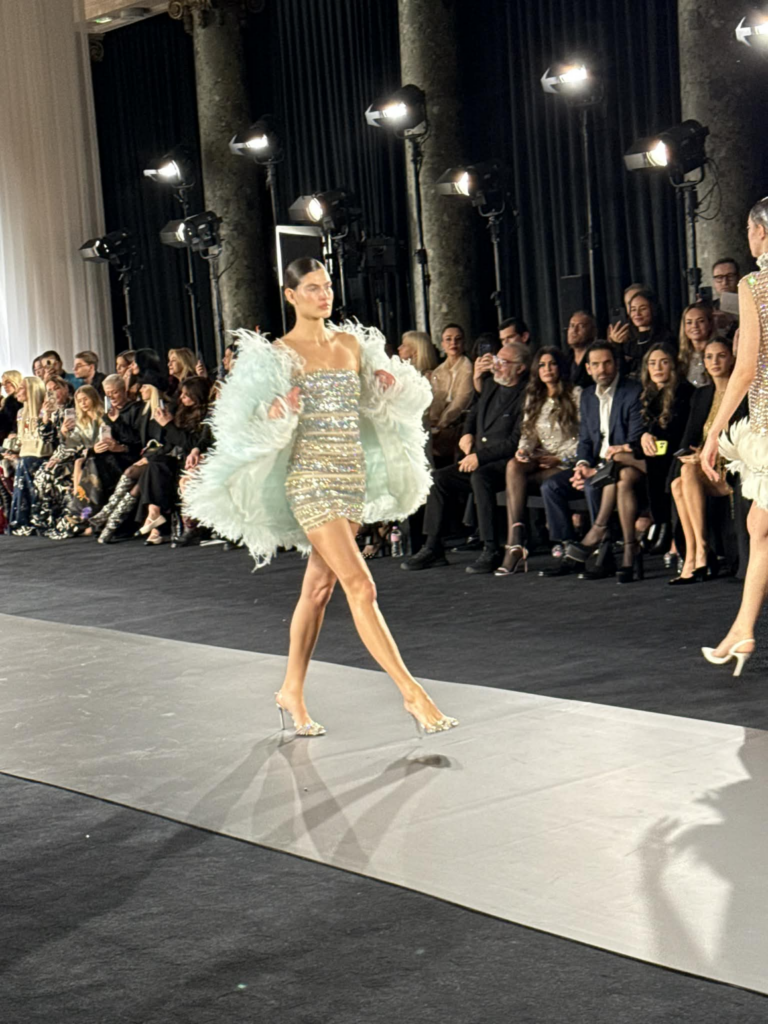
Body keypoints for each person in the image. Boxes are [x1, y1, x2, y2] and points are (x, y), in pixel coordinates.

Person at [185, 257, 455, 735]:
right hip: (309, 479)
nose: (323, 295)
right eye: (311, 288)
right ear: (291, 296)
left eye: (327, 285)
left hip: (350, 477)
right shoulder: (278, 355)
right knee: (361, 586)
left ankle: (291, 690)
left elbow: (378, 406)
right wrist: (274, 412)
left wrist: (387, 389)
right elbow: (240, 421)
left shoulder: (351, 345)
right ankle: (413, 694)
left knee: (318, 590)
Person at [700, 202, 768, 674]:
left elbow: (744, 369)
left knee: (760, 525)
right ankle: (743, 629)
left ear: (760, 232)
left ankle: (743, 629)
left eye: (748, 227)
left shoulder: (755, 285)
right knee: (759, 525)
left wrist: (715, 431)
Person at [403, 343, 531, 574]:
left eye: (504, 362)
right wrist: (467, 433)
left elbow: (515, 442)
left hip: (506, 464)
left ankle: (491, 548)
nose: (496, 366)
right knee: (438, 478)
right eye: (497, 360)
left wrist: (479, 457)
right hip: (478, 458)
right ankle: (433, 547)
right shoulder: (491, 385)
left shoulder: (527, 394)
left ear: (520, 368)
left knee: (480, 477)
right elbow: (474, 413)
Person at [541, 342, 644, 581]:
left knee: (592, 485)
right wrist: (582, 465)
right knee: (551, 486)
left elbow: (634, 439)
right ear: (588, 368)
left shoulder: (632, 391)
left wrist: (595, 471)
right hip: (596, 465)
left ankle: (603, 551)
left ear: (616, 364)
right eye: (596, 364)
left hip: (623, 464)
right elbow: (585, 440)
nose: (602, 369)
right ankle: (569, 548)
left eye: (607, 363)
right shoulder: (587, 395)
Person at [497, 347, 581, 576]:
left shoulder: (576, 394)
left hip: (567, 462)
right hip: (541, 457)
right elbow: (528, 434)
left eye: (552, 364)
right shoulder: (534, 396)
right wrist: (523, 451)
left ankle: (515, 546)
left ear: (560, 367)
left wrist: (560, 458)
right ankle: (516, 538)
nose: (547, 369)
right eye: (542, 365)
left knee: (522, 482)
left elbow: (585, 437)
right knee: (514, 465)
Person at [669, 338, 735, 584]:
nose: (714, 361)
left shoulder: (741, 392)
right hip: (704, 468)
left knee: (685, 475)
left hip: (731, 468)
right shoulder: (702, 394)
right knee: (678, 481)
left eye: (721, 355)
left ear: (732, 358)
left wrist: (706, 455)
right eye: (709, 357)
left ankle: (698, 552)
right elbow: (689, 438)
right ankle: (696, 552)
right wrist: (694, 455)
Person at [629, 345, 694, 554]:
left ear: (673, 366)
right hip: (655, 455)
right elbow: (639, 433)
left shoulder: (684, 391)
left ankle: (666, 526)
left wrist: (648, 438)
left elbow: (677, 433)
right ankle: (658, 523)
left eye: (663, 362)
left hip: (678, 454)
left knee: (655, 463)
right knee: (625, 464)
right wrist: (644, 437)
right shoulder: (647, 395)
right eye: (652, 363)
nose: (657, 368)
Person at [137, 376, 213, 546]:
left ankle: (156, 523)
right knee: (154, 463)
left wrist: (168, 425)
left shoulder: (206, 414)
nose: (182, 398)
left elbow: (192, 443)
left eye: (186, 395)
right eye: (182, 394)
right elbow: (169, 442)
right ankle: (154, 514)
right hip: (178, 457)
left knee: (156, 468)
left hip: (193, 460)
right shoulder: (181, 411)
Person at [427, 323, 474, 466]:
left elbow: (462, 400)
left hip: (457, 421)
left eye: (458, 339)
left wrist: (441, 425)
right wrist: (432, 423)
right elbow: (435, 400)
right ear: (442, 344)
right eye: (448, 339)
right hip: (438, 423)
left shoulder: (468, 368)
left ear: (464, 343)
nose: (453, 343)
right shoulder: (438, 371)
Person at [8, 377, 50, 534]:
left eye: (21, 388)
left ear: (32, 391)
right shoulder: (21, 413)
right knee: (19, 462)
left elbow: (45, 441)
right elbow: (21, 440)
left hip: (43, 455)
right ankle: (22, 518)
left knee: (24, 464)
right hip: (26, 455)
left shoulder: (44, 411)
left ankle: (28, 518)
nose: (17, 392)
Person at [678, 303, 717, 388]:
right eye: (689, 322)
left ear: (710, 324)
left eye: (700, 321)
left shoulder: (719, 353)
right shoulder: (680, 356)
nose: (694, 326)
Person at [565, 310, 596, 388]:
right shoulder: (565, 360)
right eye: (572, 326)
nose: (574, 330)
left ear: (592, 331)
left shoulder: (597, 357)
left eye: (581, 326)